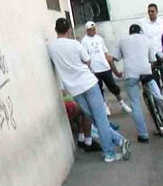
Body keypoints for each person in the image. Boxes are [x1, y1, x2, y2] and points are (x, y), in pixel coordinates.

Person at [47, 18, 131, 163]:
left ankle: (120, 140)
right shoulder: (75, 44)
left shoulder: (51, 47)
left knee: (94, 119)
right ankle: (109, 153)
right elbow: (87, 60)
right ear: (68, 30)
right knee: (101, 119)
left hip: (75, 90)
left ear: (56, 30)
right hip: (89, 83)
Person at [113, 24, 161, 143]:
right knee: (152, 84)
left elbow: (112, 58)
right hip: (145, 70)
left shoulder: (122, 41)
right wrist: (148, 68)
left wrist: (116, 72)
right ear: (140, 32)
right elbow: (153, 60)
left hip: (130, 74)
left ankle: (143, 134)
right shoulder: (147, 39)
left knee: (135, 104)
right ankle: (162, 101)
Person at [80, 21, 133, 115]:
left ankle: (122, 104)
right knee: (99, 90)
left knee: (113, 87)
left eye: (93, 29)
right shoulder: (84, 41)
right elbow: (85, 56)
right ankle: (105, 106)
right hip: (94, 70)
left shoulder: (99, 39)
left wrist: (112, 66)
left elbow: (105, 53)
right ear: (87, 30)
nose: (92, 31)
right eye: (90, 30)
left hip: (105, 67)